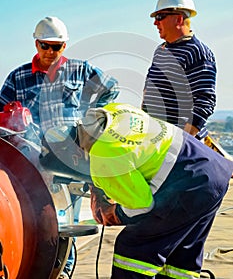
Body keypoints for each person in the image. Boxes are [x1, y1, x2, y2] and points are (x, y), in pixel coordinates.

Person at [44, 102, 232, 279]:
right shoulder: (111, 112)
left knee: (133, 249)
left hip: (189, 183)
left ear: (74, 156)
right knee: (181, 255)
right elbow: (138, 158)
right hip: (213, 169)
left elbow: (143, 207)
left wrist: (115, 213)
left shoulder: (103, 156)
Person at [0, 16, 119, 278]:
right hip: (31, 160)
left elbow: (111, 90)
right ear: (36, 43)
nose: (50, 52)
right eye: (45, 46)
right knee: (35, 219)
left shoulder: (81, 70)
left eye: (57, 47)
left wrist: (91, 120)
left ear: (65, 46)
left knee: (65, 221)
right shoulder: (19, 77)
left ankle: (62, 270)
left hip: (70, 158)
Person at [142, 0, 216, 140]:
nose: (155, 23)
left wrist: (181, 141)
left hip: (176, 147)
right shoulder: (161, 50)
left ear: (179, 19)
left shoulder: (197, 52)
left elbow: (204, 102)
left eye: (160, 17)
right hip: (156, 140)